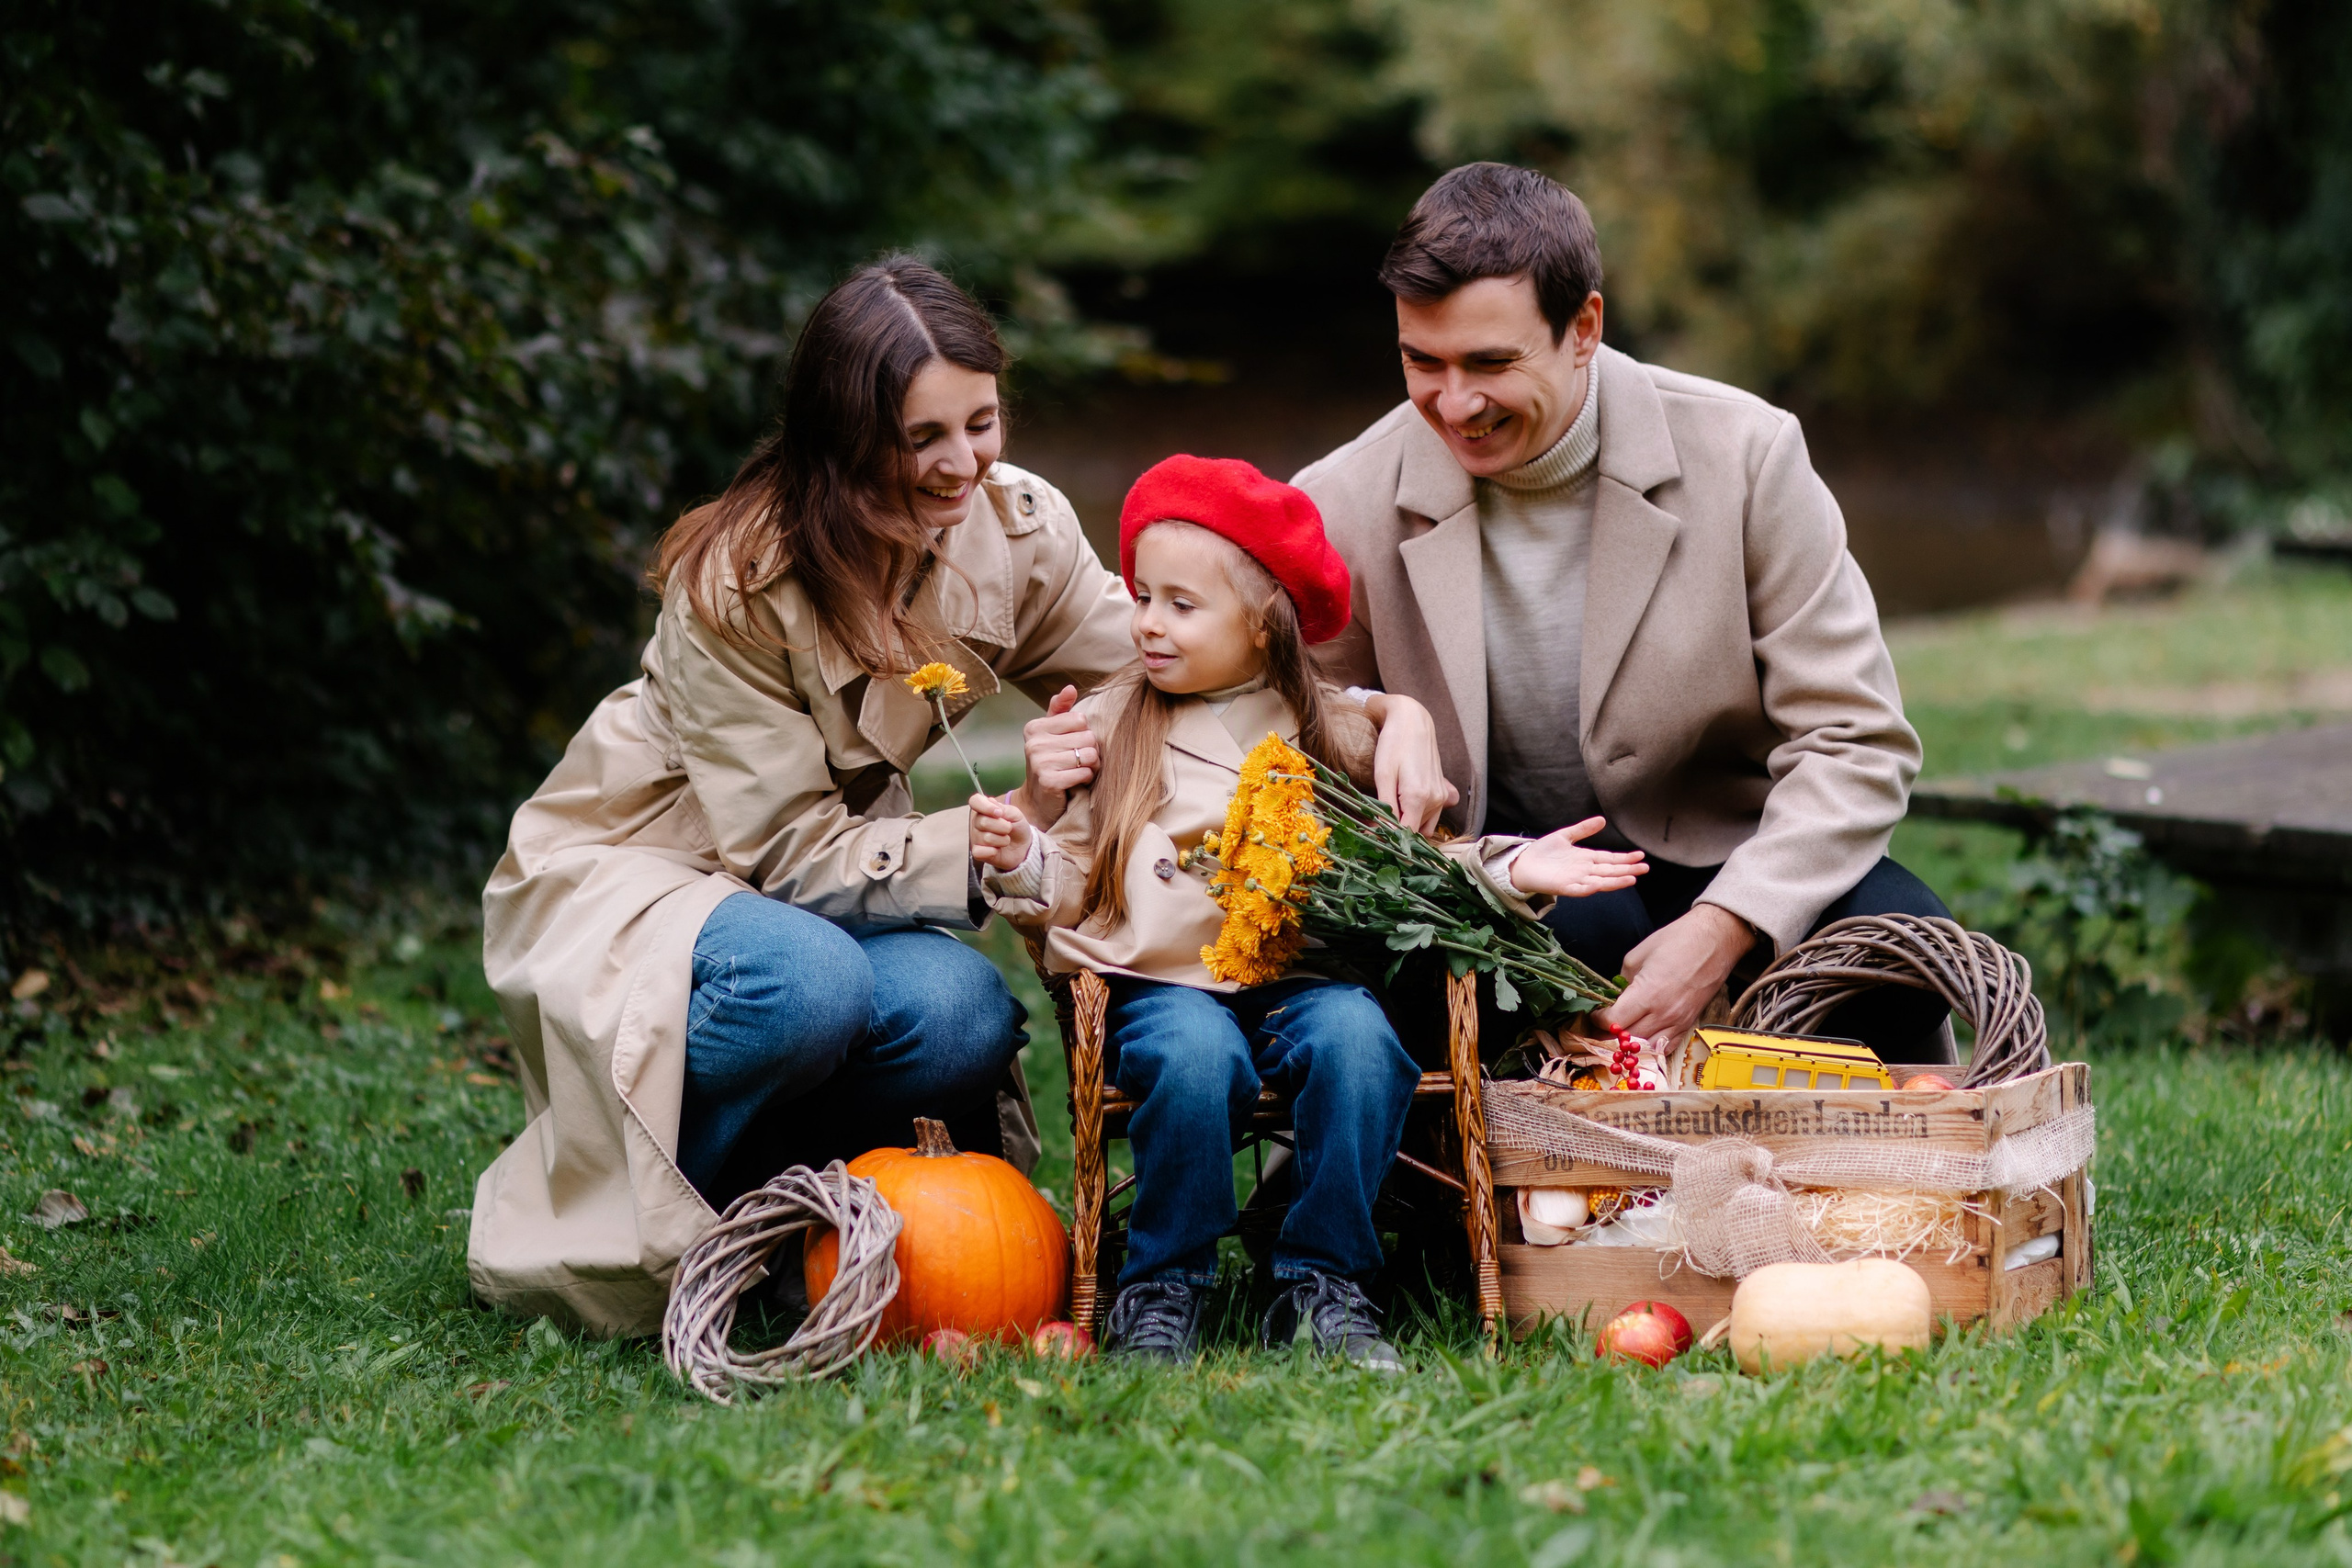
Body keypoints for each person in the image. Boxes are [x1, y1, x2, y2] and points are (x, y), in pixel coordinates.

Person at [471, 259, 1451, 1336]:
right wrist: (1005, 830)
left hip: (844, 874)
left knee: (962, 1015)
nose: (960, 465)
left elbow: (1180, 661)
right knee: (808, 987)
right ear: (843, 437)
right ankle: (691, 1217)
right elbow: (783, 855)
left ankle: (810, 1214)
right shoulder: (738, 579)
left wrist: (1377, 714)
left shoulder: (1012, 525)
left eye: (979, 423)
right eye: (919, 437)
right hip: (661, 862)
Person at [977, 456, 1649, 1367]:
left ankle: (1323, 1280)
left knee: (1359, 1044)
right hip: (1163, 982)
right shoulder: (1108, 724)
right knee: (1190, 1055)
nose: (1146, 623)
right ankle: (1162, 1282)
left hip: (1303, 971)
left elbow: (1410, 862)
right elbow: (1076, 886)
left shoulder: (1324, 728)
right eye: (1141, 596)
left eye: (1181, 604)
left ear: (1260, 627)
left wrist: (1513, 864)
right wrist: (1026, 851)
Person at [1295, 164, 1952, 1058]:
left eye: (1491, 363)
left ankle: (1872, 1169)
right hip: (1513, 882)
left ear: (1584, 330)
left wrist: (1729, 923)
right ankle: (1546, 1180)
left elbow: (1854, 738)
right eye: (1423, 362)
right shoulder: (1338, 501)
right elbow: (1285, 736)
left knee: (1901, 948)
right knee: (1569, 947)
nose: (1455, 403)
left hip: (1734, 850)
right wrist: (1381, 716)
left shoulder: (1749, 454)